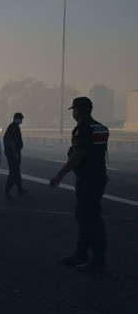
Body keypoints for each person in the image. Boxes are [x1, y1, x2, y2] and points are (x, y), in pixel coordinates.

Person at [50, 97, 110, 273]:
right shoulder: (101, 127)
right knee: (86, 216)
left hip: (88, 179)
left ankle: (97, 260)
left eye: (74, 110)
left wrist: (60, 174)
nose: (73, 113)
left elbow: (78, 154)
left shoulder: (83, 128)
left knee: (89, 218)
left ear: (77, 110)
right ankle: (81, 254)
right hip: (99, 177)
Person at [3, 112, 29, 198]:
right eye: (20, 119)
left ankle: (20, 190)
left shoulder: (14, 127)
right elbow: (11, 142)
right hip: (12, 153)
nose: (21, 120)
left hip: (13, 152)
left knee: (16, 172)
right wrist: (15, 153)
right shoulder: (13, 127)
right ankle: (7, 192)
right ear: (15, 118)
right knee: (14, 173)